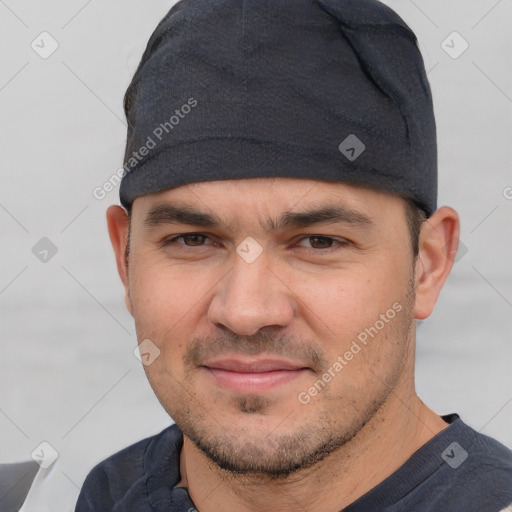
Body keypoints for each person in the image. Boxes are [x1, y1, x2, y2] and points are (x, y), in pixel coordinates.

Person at [75, 0, 512, 510]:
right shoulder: (111, 493)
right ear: (125, 258)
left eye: (319, 242)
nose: (245, 312)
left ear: (428, 265)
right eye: (193, 239)